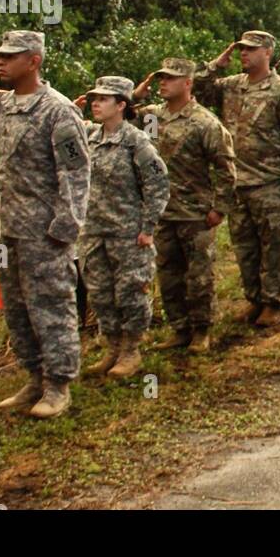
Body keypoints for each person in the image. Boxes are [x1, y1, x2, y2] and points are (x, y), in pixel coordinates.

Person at [0, 30, 90, 420]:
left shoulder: (58, 110)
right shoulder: (4, 103)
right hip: (10, 229)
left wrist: (66, 226)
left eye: (10, 56)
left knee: (51, 307)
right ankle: (34, 377)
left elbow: (76, 170)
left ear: (33, 61)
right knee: (17, 310)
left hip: (45, 230)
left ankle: (58, 385)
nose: (0, 61)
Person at [193, 32, 280, 325]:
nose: (244, 54)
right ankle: (254, 298)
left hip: (271, 183)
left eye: (251, 49)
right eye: (241, 49)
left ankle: (274, 302)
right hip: (238, 183)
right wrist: (217, 64)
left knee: (274, 246)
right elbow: (196, 88)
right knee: (244, 247)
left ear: (268, 52)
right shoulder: (232, 86)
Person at [130, 58, 236, 352]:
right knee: (168, 274)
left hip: (196, 213)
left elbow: (226, 168)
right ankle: (179, 328)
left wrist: (220, 208)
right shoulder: (153, 117)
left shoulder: (205, 122)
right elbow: (122, 117)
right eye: (161, 78)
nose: (163, 83)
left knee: (199, 275)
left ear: (188, 83)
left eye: (171, 78)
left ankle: (202, 330)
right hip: (163, 212)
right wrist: (136, 95)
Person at [73, 77, 169, 377]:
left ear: (122, 105)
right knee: (101, 294)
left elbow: (158, 184)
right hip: (93, 233)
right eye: (94, 98)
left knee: (130, 293)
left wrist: (148, 227)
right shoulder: (88, 138)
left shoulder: (135, 141)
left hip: (128, 234)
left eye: (103, 99)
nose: (95, 103)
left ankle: (131, 350)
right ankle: (112, 347)